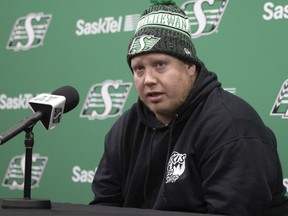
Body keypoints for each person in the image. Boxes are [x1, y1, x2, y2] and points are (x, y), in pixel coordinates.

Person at [90, 0, 288, 215]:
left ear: (190, 66)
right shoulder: (125, 128)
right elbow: (105, 204)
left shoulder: (232, 126)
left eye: (160, 65)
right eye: (139, 69)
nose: (148, 79)